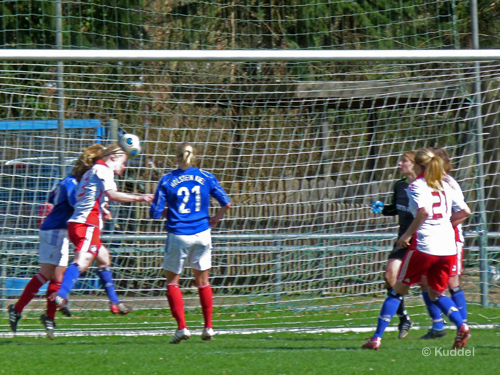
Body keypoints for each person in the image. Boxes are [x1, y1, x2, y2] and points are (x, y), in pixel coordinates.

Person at [362, 148, 471, 350]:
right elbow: (466, 211)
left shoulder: (417, 185)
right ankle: (461, 325)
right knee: (436, 292)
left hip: (425, 245)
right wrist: (446, 225)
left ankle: (376, 338)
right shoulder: (444, 185)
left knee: (397, 291)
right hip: (447, 247)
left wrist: (407, 234)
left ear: (419, 165)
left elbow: (423, 211)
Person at [7, 145, 103, 339]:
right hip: (54, 230)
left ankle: (46, 315)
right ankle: (19, 309)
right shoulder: (72, 183)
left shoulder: (72, 182)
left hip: (63, 230)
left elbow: (52, 197)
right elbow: (75, 203)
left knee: (57, 277)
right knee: (47, 274)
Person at [50, 144, 154, 317]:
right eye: (123, 162)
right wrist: (140, 197)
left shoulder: (91, 171)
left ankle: (114, 302)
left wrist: (103, 209)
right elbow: (113, 194)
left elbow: (86, 197)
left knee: (104, 258)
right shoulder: (104, 170)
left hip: (78, 224)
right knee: (81, 261)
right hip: (87, 225)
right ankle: (61, 295)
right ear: (113, 158)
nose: (124, 166)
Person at [150, 143, 231, 344]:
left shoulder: (167, 179)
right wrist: (216, 217)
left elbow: (154, 213)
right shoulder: (206, 176)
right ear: (194, 157)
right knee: (203, 282)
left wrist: (165, 211)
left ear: (176, 158)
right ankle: (209, 327)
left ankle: (182, 328)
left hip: (178, 234)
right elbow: (226, 202)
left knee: (172, 282)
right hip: (202, 233)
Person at [419, 148, 468, 339]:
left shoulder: (448, 183)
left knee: (451, 282)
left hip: (451, 239)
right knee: (425, 282)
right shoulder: (427, 183)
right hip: (432, 241)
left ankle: (462, 326)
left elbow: (463, 212)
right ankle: (438, 325)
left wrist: (444, 226)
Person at [371, 151, 416, 339]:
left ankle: (441, 323)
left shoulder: (426, 186)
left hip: (423, 241)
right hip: (403, 240)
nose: (399, 164)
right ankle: (404, 318)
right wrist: (383, 209)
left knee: (427, 284)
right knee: (390, 276)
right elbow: (396, 208)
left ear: (415, 164)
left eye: (404, 161)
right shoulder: (399, 185)